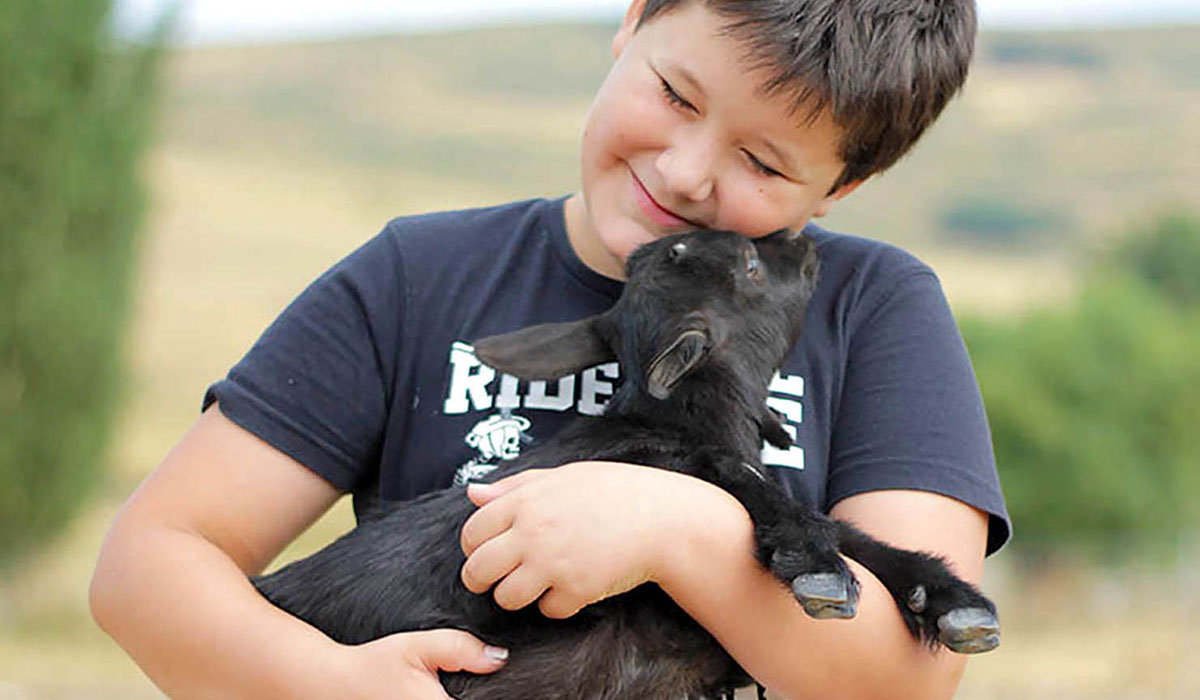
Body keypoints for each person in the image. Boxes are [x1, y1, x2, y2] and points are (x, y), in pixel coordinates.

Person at [90, 0, 1010, 698]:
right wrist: (330, 684)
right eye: (673, 94)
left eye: (764, 163)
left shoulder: (874, 309)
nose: (685, 172)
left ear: (845, 181)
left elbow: (906, 677)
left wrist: (668, 530)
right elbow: (148, 565)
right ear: (633, 20)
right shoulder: (417, 277)